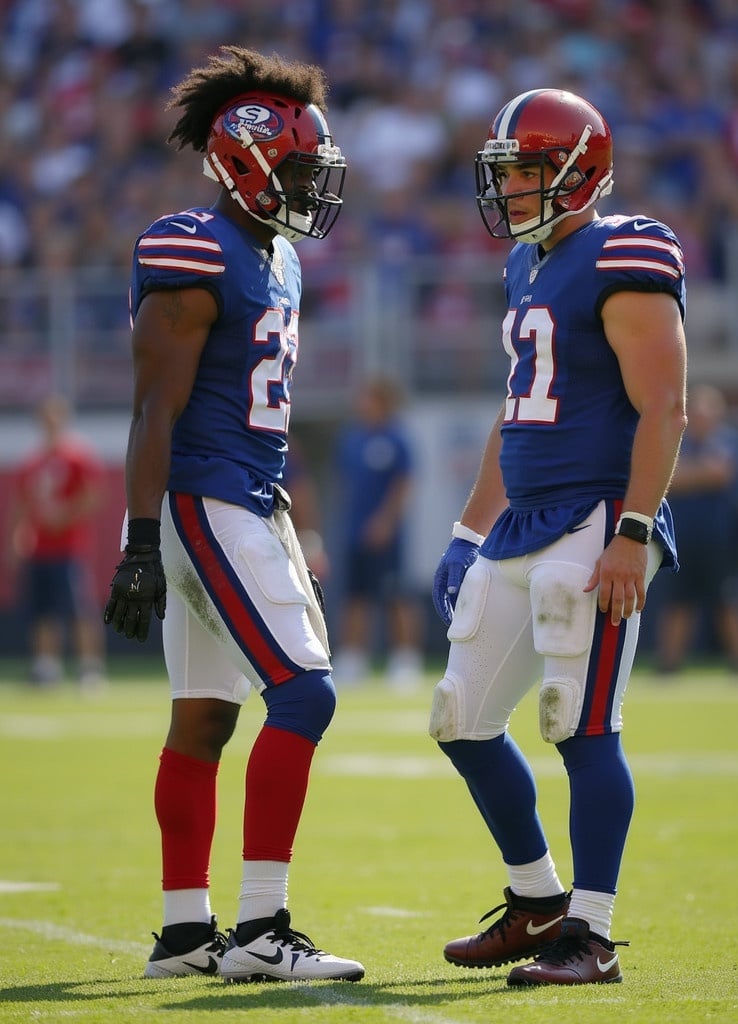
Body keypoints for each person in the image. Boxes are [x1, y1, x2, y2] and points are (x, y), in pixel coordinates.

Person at [103, 46, 364, 984]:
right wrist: (138, 541)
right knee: (306, 694)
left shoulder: (276, 255)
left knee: (205, 717)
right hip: (206, 496)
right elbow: (152, 409)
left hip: (247, 493)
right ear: (249, 162)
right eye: (296, 166)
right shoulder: (192, 245)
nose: (309, 186)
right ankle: (263, 928)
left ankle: (184, 933)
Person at [429, 89, 687, 987]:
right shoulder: (528, 265)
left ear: (578, 168)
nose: (513, 190)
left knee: (578, 724)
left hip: (596, 516)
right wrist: (469, 527)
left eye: (529, 169)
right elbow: (518, 413)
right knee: (460, 717)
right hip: (523, 518)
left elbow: (665, 405)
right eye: (507, 173)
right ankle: (537, 899)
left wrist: (634, 530)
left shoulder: (625, 250)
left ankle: (594, 933)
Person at [655, 384, 738, 674]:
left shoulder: (727, 439)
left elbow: (720, 474)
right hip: (682, 538)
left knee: (729, 600)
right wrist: (698, 472)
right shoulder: (678, 441)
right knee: (678, 603)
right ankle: (669, 666)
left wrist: (686, 473)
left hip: (720, 539)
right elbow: (668, 480)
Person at [8, 395, 107, 690]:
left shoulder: (77, 456)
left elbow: (93, 495)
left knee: (79, 608)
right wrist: (16, 539)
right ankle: (45, 666)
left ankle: (89, 667)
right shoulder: (32, 462)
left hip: (69, 547)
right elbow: (21, 505)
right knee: (42, 610)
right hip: (39, 548)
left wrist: (66, 515)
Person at [332, 376, 424, 690]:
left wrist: (385, 522)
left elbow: (404, 485)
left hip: (388, 536)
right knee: (355, 596)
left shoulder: (396, 438)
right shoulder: (352, 438)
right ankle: (353, 658)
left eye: (368, 398)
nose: (361, 404)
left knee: (396, 595)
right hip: (355, 533)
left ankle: (406, 660)